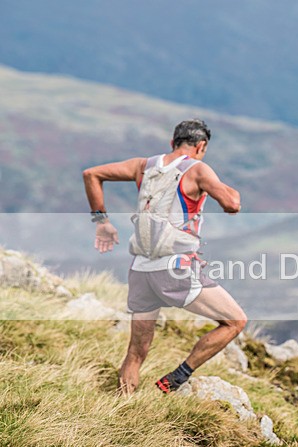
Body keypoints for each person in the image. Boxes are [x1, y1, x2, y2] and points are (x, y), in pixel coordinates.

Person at [83, 119, 247, 394]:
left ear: (172, 143)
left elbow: (91, 174)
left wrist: (102, 221)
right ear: (201, 146)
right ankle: (176, 378)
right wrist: (230, 190)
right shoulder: (198, 169)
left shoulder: (143, 166)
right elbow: (232, 205)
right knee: (235, 321)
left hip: (141, 270)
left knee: (135, 353)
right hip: (175, 270)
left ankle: (120, 408)